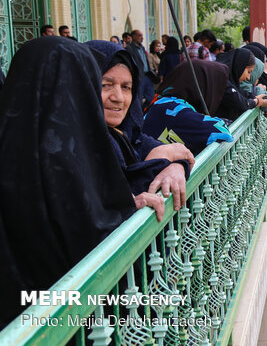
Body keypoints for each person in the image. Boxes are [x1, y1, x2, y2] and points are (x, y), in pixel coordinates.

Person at [0, 37, 164, 327]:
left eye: (127, 87)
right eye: (98, 85)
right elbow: (87, 234)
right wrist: (126, 210)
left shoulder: (15, 144)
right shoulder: (64, 153)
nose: (117, 97)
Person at [86, 41, 192, 208]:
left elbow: (154, 147)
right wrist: (163, 159)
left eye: (126, 87)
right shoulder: (76, 144)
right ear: (82, 86)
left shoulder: (124, 132)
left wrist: (176, 165)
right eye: (106, 85)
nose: (118, 97)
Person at [125, 29, 155, 104]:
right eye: (139, 36)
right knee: (138, 98)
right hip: (138, 77)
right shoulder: (129, 49)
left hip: (147, 76)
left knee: (151, 98)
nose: (142, 38)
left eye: (142, 36)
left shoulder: (142, 48)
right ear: (133, 37)